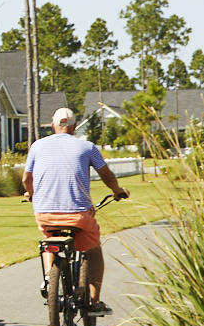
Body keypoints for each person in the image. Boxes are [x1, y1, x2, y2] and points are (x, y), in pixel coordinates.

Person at [22, 107, 129, 312]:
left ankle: (48, 278)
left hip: (45, 214)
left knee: (49, 240)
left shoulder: (37, 146)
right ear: (73, 127)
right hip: (79, 215)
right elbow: (106, 175)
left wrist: (32, 194)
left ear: (53, 125)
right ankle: (94, 302)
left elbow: (27, 179)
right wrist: (117, 190)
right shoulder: (87, 147)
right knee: (94, 250)